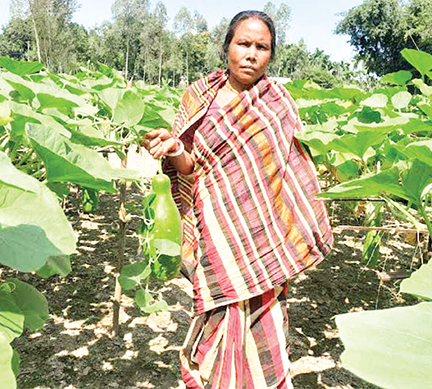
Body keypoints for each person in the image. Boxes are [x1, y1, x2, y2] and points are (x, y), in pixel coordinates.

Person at [142, 10, 333, 389]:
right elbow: (189, 168)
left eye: (262, 47)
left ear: (271, 55)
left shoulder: (277, 103)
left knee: (265, 318)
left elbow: (291, 174)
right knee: (217, 314)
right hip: (215, 231)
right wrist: (176, 147)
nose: (251, 54)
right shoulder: (200, 97)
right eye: (243, 44)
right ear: (227, 47)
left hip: (264, 238)